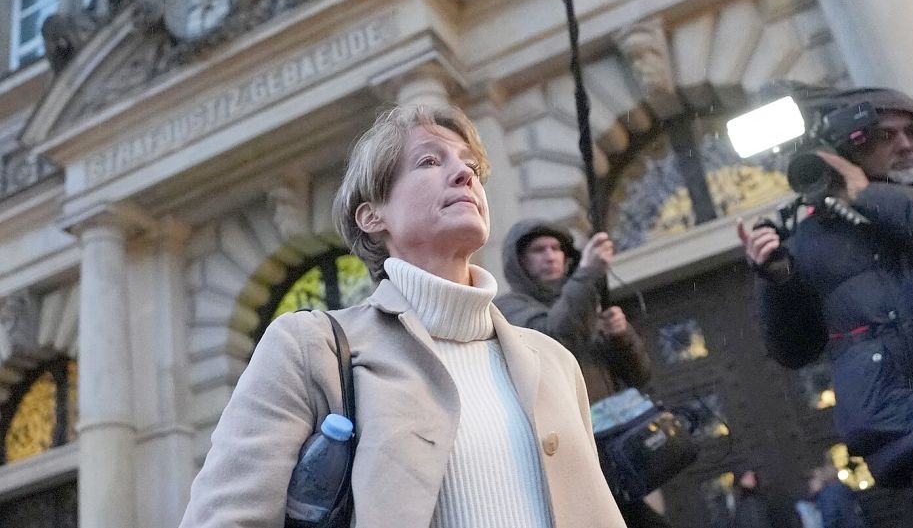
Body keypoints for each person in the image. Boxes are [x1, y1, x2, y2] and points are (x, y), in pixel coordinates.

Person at [178, 105, 627, 527]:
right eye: (430, 161)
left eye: (471, 165)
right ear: (373, 216)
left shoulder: (553, 361)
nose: (464, 174)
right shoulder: (309, 347)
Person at [736, 86, 913, 526]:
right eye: (886, 135)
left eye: (912, 131)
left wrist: (868, 196)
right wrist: (777, 280)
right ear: (842, 152)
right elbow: (793, 349)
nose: (906, 144)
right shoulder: (811, 238)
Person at [495, 220, 663, 527]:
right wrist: (587, 274)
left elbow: (640, 377)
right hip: (569, 455)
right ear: (519, 261)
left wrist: (622, 336)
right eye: (538, 250)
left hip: (613, 449)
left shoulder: (583, 305)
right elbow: (554, 339)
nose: (550, 256)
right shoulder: (508, 307)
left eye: (556, 248)